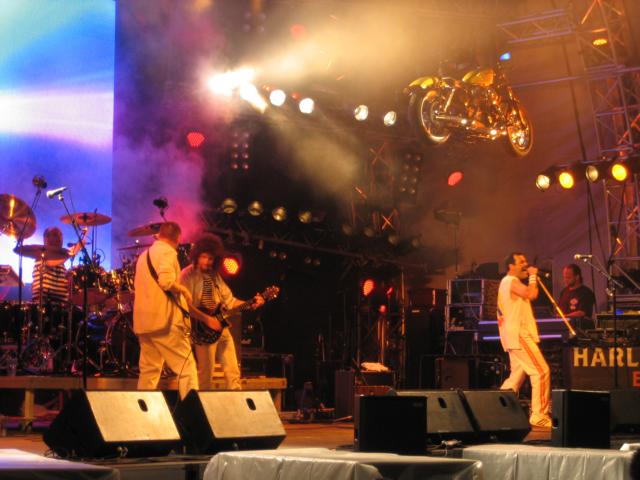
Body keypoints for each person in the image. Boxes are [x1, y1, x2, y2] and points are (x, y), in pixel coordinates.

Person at [180, 233, 264, 390]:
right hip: (202, 330)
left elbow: (230, 301)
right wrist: (208, 320)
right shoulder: (187, 275)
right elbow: (184, 305)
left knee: (233, 372)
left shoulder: (214, 275)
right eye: (204, 257)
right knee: (206, 373)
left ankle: (236, 400)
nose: (207, 261)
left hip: (221, 328)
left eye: (211, 258)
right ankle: (202, 403)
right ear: (197, 255)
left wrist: (251, 302)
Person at [133, 222, 198, 400]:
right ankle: (191, 412)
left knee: (149, 372)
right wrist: (184, 291)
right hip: (164, 322)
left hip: (144, 322)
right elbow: (166, 282)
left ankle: (142, 411)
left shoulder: (143, 256)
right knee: (187, 369)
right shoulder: (168, 252)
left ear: (159, 235)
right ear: (177, 238)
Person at [497, 252, 551, 428]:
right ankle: (539, 415)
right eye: (521, 262)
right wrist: (533, 276)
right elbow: (531, 293)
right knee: (541, 371)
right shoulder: (510, 281)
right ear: (511, 266)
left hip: (513, 335)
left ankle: (497, 409)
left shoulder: (508, 282)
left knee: (515, 378)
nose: (526, 265)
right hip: (519, 334)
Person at [31, 227, 83, 304]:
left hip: (62, 305)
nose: (60, 237)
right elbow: (50, 263)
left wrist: (69, 279)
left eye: (61, 235)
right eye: (55, 234)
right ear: (46, 239)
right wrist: (71, 252)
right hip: (45, 303)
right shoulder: (42, 255)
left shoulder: (61, 263)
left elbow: (64, 285)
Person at [558, 263, 596, 329]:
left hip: (580, 329)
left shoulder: (586, 292)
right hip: (565, 328)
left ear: (577, 277)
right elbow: (559, 310)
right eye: (564, 277)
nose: (565, 280)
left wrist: (564, 317)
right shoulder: (564, 292)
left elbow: (581, 313)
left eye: (568, 277)